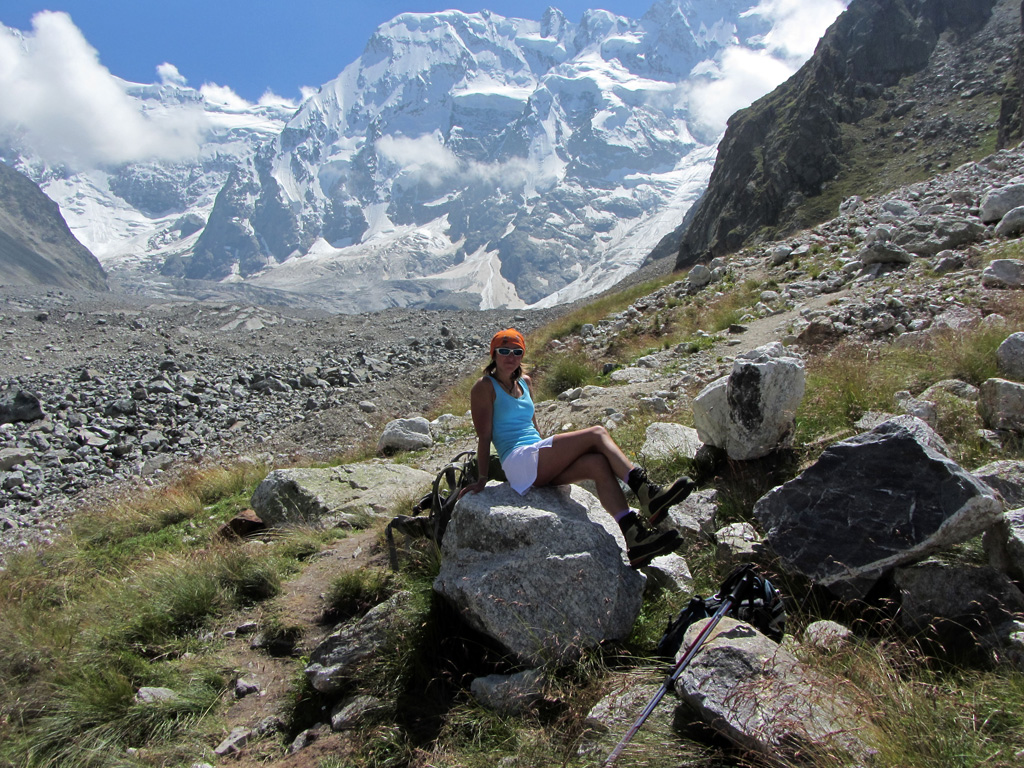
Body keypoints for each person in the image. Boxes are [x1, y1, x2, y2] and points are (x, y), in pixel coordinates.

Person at [462, 328, 695, 568]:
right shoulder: (484, 387)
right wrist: (482, 478)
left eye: (517, 351)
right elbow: (484, 435)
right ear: (494, 354)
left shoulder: (525, 382)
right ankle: (647, 492)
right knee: (597, 433)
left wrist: (551, 452)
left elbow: (533, 427)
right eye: (504, 351)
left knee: (598, 464)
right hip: (518, 460)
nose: (510, 356)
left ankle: (635, 538)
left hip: (537, 457)